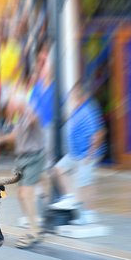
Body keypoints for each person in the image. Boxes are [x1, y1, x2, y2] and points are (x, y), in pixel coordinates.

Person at [0, 90, 45, 248]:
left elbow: (35, 120)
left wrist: (26, 110)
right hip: (22, 159)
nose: (9, 108)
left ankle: (34, 231)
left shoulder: (29, 113)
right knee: (22, 195)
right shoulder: (19, 117)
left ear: (19, 103)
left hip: (34, 157)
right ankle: (34, 225)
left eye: (11, 105)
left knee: (25, 193)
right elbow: (15, 136)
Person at [50, 81, 107, 216]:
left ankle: (89, 214)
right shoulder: (78, 109)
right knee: (58, 169)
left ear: (82, 96)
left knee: (85, 184)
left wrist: (90, 154)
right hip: (75, 154)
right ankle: (70, 197)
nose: (71, 98)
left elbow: (99, 133)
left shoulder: (88, 110)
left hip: (85, 154)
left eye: (73, 95)